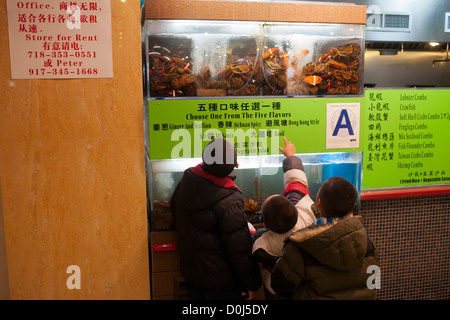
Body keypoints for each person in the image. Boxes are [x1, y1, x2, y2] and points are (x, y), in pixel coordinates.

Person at [170, 138, 261, 300]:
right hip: (222, 283)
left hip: (194, 274)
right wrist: (252, 284)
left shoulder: (187, 179)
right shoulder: (230, 200)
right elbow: (239, 250)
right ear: (233, 165)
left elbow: (173, 209)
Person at [270, 175, 380, 300]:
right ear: (353, 205)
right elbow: (374, 283)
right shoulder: (368, 244)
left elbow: (279, 286)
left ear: (319, 202)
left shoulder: (301, 246)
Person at [252, 137, 317, 299]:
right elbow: (296, 181)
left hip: (275, 290)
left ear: (266, 224)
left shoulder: (263, 242)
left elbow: (252, 239)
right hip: (305, 286)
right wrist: (290, 157)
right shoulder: (306, 211)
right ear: (294, 208)